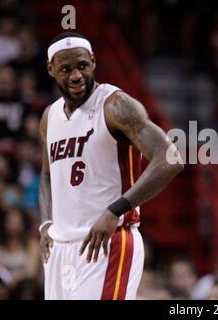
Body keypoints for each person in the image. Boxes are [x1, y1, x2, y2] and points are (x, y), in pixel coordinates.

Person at [38, 32, 183, 300]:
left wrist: (115, 210)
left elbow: (170, 157)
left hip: (108, 242)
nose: (76, 76)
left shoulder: (115, 105)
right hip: (60, 250)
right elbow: (47, 176)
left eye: (82, 65)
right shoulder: (50, 117)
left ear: (93, 61)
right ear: (51, 69)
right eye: (65, 69)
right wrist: (46, 222)